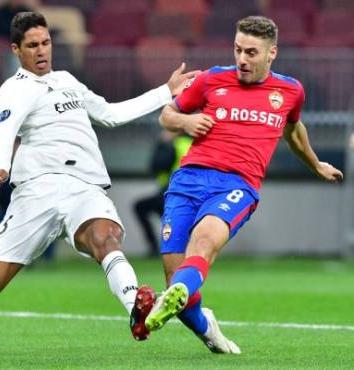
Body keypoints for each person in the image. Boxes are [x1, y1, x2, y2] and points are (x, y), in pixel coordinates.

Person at [0, 11, 198, 353]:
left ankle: (136, 310)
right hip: (37, 192)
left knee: (107, 237)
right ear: (16, 50)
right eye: (32, 46)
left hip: (83, 185)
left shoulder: (69, 81)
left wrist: (165, 92)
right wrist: (0, 165)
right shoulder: (14, 89)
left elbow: (111, 115)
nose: (41, 51)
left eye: (45, 43)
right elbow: (5, 131)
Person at [141, 16, 344, 354]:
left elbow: (293, 132)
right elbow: (167, 115)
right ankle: (209, 331)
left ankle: (169, 304)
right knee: (179, 288)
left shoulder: (290, 90)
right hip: (188, 181)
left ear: (271, 53)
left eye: (251, 52)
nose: (242, 59)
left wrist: (316, 163)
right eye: (238, 50)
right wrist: (186, 120)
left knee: (204, 240)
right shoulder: (211, 80)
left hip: (237, 186)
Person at [133, 131, 192, 257]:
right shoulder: (191, 143)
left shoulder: (173, 145)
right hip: (190, 193)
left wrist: (162, 144)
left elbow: (157, 165)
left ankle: (155, 248)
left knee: (142, 207)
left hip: (174, 192)